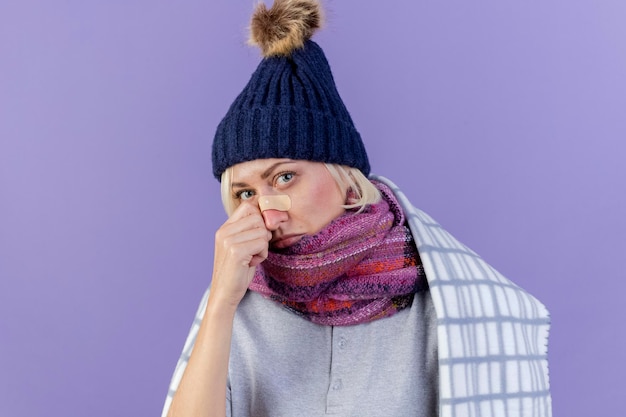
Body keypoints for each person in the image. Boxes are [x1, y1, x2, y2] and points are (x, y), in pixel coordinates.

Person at [162, 1, 552, 416]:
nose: (267, 214)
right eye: (244, 194)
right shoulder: (240, 298)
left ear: (347, 185)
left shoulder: (445, 306)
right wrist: (221, 302)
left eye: (284, 177)